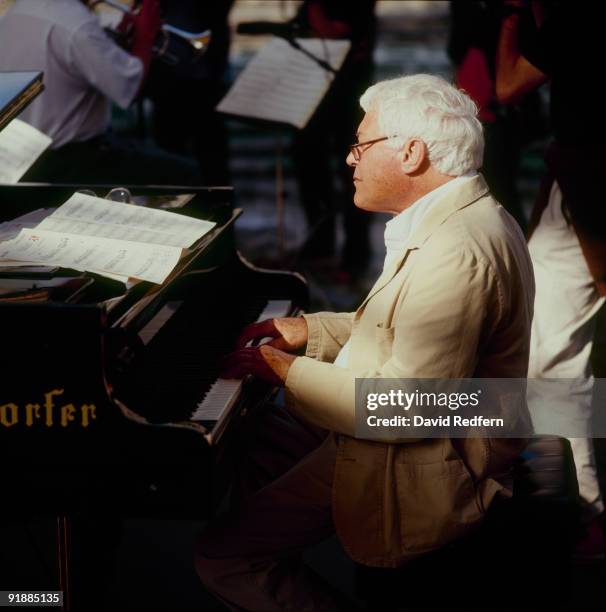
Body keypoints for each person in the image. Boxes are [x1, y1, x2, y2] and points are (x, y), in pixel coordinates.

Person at [196, 74, 534, 611]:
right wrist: (311, 331)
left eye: (361, 144)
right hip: (405, 438)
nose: (351, 159)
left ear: (411, 153)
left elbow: (403, 411)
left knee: (224, 555)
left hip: (426, 466)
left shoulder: (456, 251)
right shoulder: (457, 217)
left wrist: (284, 371)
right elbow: (406, 326)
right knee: (258, 438)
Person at [496, 0, 606, 559]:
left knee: (551, 357)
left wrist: (514, 16)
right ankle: (584, 510)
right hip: (581, 184)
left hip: (590, 184)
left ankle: (585, 514)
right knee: (551, 354)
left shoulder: (578, 16)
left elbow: (508, 85)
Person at [0, 0, 198, 184]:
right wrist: (145, 37)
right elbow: (127, 88)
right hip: (68, 158)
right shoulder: (77, 24)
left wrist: (122, 39)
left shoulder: (20, 9)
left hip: (21, 151)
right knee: (186, 173)